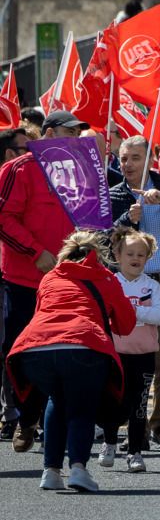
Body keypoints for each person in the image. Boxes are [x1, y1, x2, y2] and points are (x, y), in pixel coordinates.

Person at [5, 230, 136, 492]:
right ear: (97, 254)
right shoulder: (105, 277)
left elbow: (42, 312)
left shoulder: (50, 277)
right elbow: (126, 324)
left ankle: (51, 472)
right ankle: (78, 469)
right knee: (82, 406)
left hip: (35, 349)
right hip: (82, 345)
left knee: (57, 398)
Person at [0, 114, 81, 449]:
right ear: (49, 133)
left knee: (61, 350)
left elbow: (89, 220)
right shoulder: (20, 169)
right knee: (21, 351)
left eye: (78, 134)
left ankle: (43, 419)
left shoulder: (79, 171)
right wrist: (35, 252)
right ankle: (24, 416)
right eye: (69, 132)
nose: (75, 139)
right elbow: (4, 218)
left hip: (65, 280)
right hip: (24, 280)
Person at [108, 135, 160, 450]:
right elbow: (103, 239)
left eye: (135, 158)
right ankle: (131, 426)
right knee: (130, 361)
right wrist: (127, 219)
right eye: (123, 158)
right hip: (128, 286)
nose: (127, 165)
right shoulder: (114, 193)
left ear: (150, 160)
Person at [98, 228, 160, 473]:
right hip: (115, 355)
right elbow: (102, 315)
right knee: (112, 401)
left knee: (138, 406)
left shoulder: (152, 287)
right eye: (130, 254)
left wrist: (131, 311)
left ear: (148, 257)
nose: (135, 258)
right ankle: (109, 443)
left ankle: (135, 452)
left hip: (144, 355)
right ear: (117, 256)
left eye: (141, 254)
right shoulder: (110, 283)